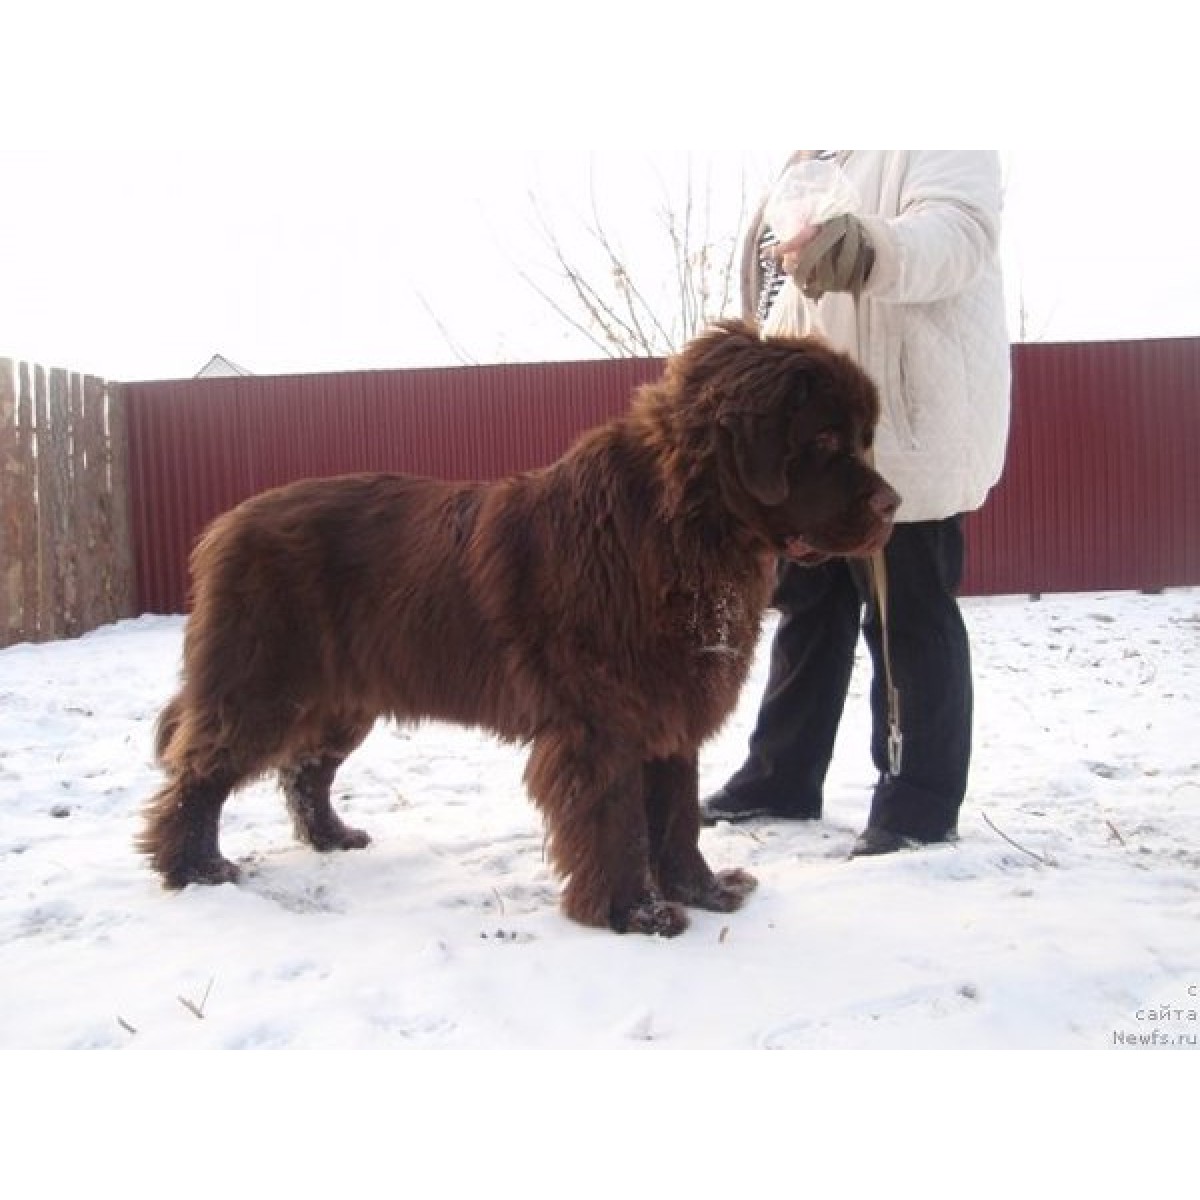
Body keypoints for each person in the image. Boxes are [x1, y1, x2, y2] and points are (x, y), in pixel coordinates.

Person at [700, 151, 1011, 856]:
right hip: (819, 451)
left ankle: (916, 805)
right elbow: (784, 295)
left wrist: (870, 247)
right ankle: (781, 778)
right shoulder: (808, 154)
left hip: (906, 423)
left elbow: (959, 236)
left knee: (908, 611)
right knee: (807, 610)